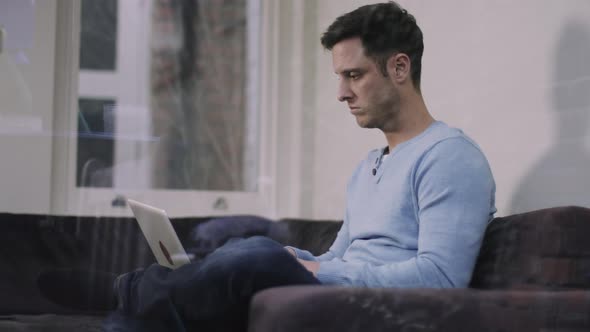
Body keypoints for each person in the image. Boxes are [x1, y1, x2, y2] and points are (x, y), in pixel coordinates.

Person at [40, 2, 495, 331]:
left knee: (256, 255)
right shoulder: (370, 167)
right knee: (254, 247)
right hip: (342, 286)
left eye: (353, 75)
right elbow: (340, 257)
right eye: (339, 77)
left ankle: (126, 291)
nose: (341, 93)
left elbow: (441, 277)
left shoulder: (449, 157)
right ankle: (131, 309)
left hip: (374, 305)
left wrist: (318, 271)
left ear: (399, 68)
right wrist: (304, 260)